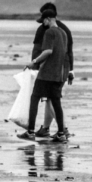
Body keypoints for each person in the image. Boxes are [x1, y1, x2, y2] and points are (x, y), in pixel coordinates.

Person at [19, 8, 69, 142]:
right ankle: (61, 133)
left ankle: (30, 132)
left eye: (44, 21)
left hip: (46, 74)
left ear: (48, 19)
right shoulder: (63, 33)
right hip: (59, 74)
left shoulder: (49, 32)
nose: (43, 24)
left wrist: (34, 62)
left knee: (35, 98)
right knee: (56, 103)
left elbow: (48, 51)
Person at [30, 2, 74, 137]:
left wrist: (35, 63)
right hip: (63, 69)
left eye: (43, 17)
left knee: (42, 98)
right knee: (52, 99)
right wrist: (71, 70)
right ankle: (49, 128)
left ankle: (62, 129)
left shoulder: (46, 30)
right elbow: (69, 51)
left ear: (47, 17)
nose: (42, 21)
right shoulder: (64, 30)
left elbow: (39, 49)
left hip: (48, 69)